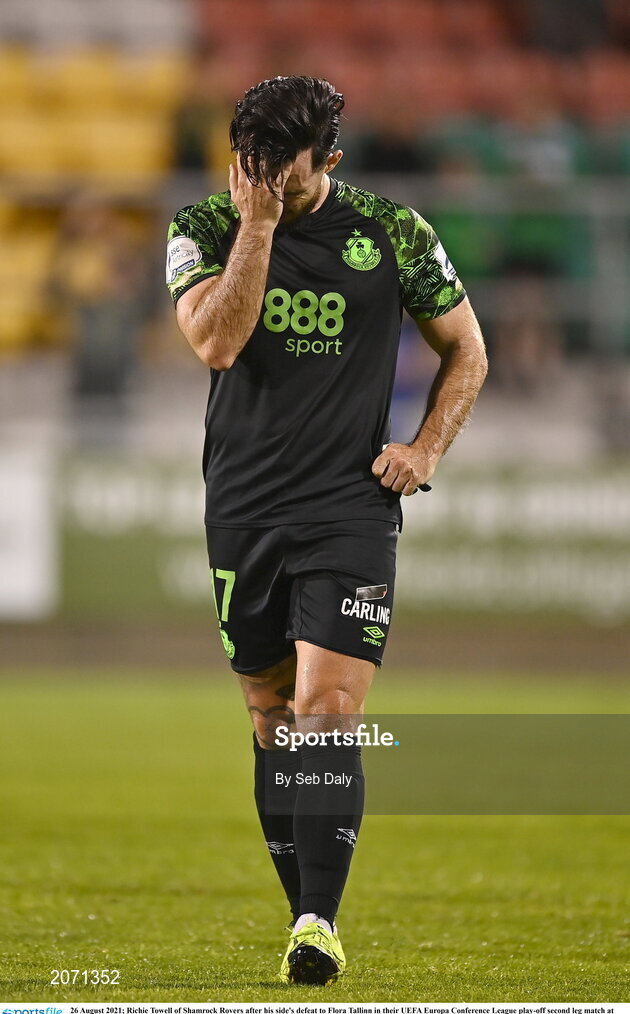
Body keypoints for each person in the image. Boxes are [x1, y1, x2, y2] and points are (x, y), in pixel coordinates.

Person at [166, 76, 487, 986]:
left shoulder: (393, 232)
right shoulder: (202, 227)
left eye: (288, 167)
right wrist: (259, 230)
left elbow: (467, 348)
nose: (267, 179)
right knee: (272, 719)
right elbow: (217, 343)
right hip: (243, 508)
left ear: (333, 159)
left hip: (349, 509)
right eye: (253, 161)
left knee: (327, 713)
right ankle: (300, 908)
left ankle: (318, 923)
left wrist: (425, 448)